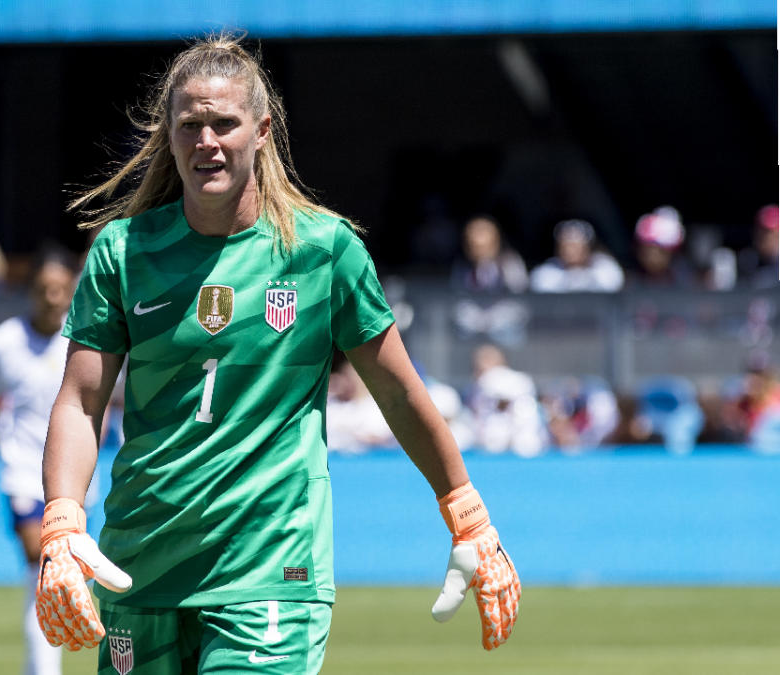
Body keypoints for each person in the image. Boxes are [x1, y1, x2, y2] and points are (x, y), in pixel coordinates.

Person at [33, 35, 521, 674]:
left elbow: (400, 393)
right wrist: (63, 522)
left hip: (270, 566)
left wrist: (468, 515)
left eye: (224, 123)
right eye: (190, 125)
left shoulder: (325, 250)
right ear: (168, 135)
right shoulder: (123, 252)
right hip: (139, 561)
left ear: (261, 130)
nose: (206, 141)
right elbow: (79, 400)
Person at [0, 247, 82, 675]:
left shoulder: (84, 341)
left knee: (51, 571)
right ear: (30, 291)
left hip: (72, 475)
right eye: (44, 290)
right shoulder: (2, 343)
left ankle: (36, 664)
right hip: (21, 471)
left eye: (61, 289)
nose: (53, 298)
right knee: (42, 559)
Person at [529, 219, 624, 293]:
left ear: (588, 247)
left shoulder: (605, 268)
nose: (570, 251)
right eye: (565, 245)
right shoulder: (546, 272)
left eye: (575, 245)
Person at [450, 215, 528, 293]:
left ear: (496, 244)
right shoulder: (461, 268)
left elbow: (520, 291)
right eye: (472, 247)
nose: (479, 253)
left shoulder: (510, 264)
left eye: (484, 248)